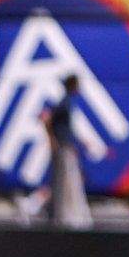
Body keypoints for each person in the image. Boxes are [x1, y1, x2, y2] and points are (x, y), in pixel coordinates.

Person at [44, 73, 92, 227]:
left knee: (67, 179)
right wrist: (53, 140)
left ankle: (62, 213)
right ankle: (62, 215)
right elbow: (47, 120)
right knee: (65, 180)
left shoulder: (67, 102)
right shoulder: (64, 103)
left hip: (66, 146)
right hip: (64, 147)